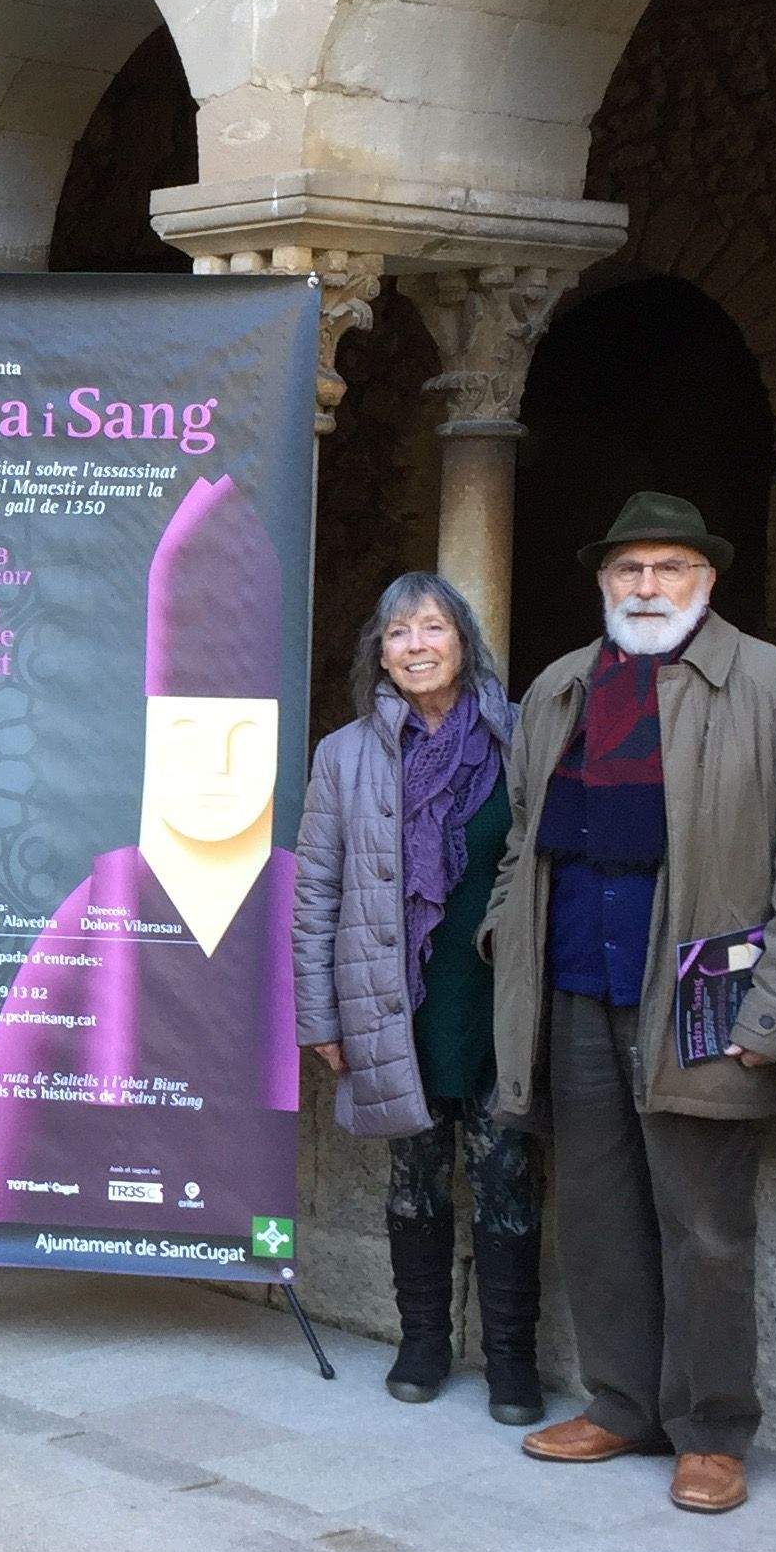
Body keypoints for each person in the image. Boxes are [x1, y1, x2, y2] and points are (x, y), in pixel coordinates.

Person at [487, 491, 776, 1515]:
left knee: (706, 1224)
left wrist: (772, 1012)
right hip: (580, 987)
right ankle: (623, 1403)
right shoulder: (560, 687)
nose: (648, 588)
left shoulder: (770, 686)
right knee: (595, 1211)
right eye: (629, 571)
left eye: (670, 568)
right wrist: (508, 935)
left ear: (708, 582)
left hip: (703, 999)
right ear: (602, 584)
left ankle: (713, 1430)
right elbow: (520, 838)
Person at [0, 476, 301, 1250]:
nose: (215, 768)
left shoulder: (295, 900)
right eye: (189, 739)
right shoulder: (88, 919)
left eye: (241, 740)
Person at [293, 574, 539, 1422]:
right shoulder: (344, 754)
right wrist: (319, 1015)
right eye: (398, 634)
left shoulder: (521, 738)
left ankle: (511, 1359)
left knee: (506, 1177)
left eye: (433, 628)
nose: (418, 646)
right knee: (415, 1177)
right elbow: (316, 887)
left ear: (464, 640)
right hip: (394, 998)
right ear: (381, 656)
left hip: (494, 998)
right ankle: (423, 1342)